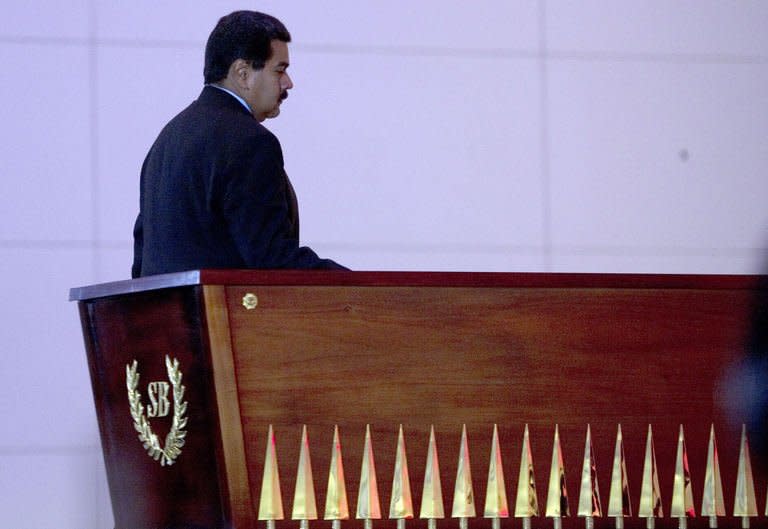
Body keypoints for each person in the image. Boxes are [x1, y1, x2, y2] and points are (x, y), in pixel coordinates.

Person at [131, 10, 345, 277]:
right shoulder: (250, 141)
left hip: (168, 317)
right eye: (280, 70)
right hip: (226, 317)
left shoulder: (167, 139)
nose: (288, 83)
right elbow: (272, 258)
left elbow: (143, 255)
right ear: (243, 74)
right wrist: (357, 285)